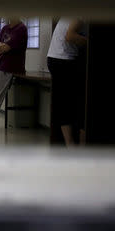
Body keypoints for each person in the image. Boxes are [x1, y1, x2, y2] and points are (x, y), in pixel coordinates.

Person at [47, 18, 88, 146]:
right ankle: (77, 145)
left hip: (55, 58)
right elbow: (70, 36)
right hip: (64, 60)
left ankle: (70, 144)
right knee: (77, 103)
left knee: (64, 103)